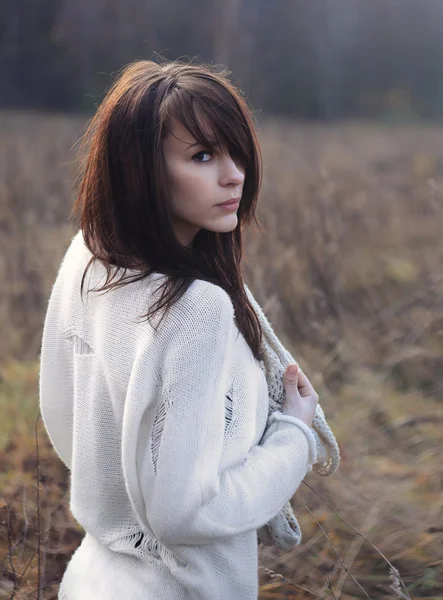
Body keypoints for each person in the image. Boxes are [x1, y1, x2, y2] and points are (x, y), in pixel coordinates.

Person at [39, 58, 319, 600]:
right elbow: (186, 514)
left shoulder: (90, 260)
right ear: (138, 168)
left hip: (96, 577)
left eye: (235, 151)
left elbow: (65, 419)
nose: (234, 173)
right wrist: (294, 436)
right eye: (203, 155)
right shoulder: (197, 310)